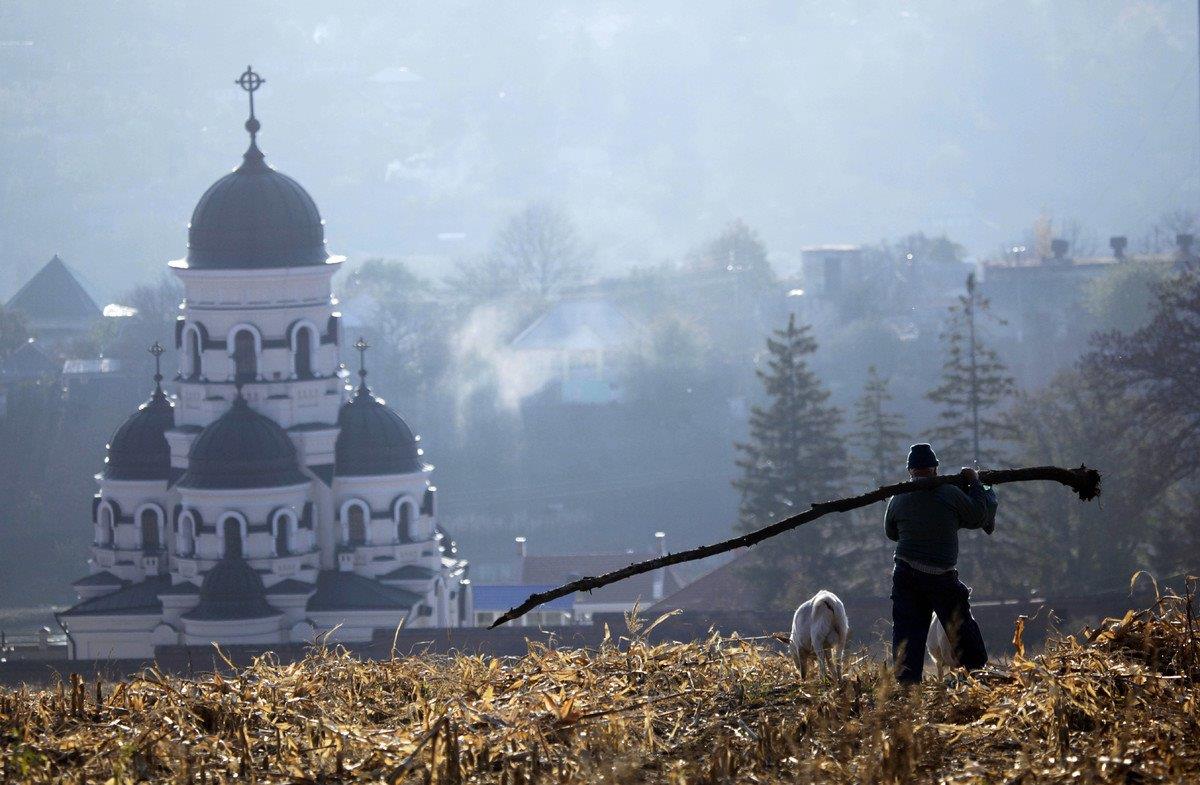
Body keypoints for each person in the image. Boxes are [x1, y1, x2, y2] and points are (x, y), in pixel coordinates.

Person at [885, 443, 997, 685]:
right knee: (962, 631)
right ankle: (978, 676)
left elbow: (891, 532)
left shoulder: (898, 497)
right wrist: (976, 482)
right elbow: (978, 515)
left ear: (910, 471)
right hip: (941, 577)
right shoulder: (949, 493)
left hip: (906, 573)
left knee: (907, 633)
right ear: (935, 469)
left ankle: (906, 690)